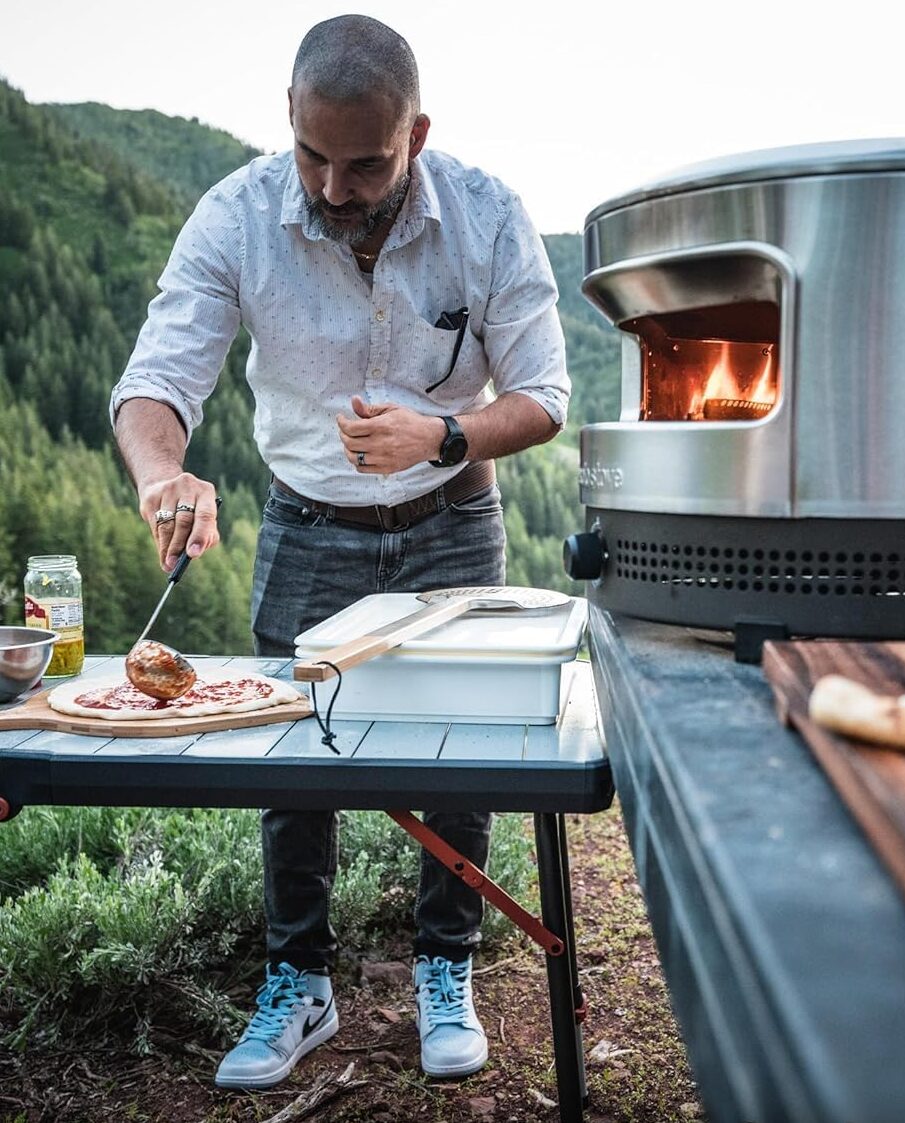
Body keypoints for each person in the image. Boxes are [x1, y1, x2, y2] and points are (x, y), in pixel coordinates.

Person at [109, 14, 569, 1091]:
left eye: (365, 165)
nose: (332, 186)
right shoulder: (235, 216)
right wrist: (163, 475)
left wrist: (443, 434)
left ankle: (445, 963)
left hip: (455, 520)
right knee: (291, 762)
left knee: (465, 757)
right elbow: (156, 382)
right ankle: (299, 981)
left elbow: (545, 395)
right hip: (306, 526)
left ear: (417, 135)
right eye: (314, 155)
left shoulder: (490, 215)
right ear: (289, 117)